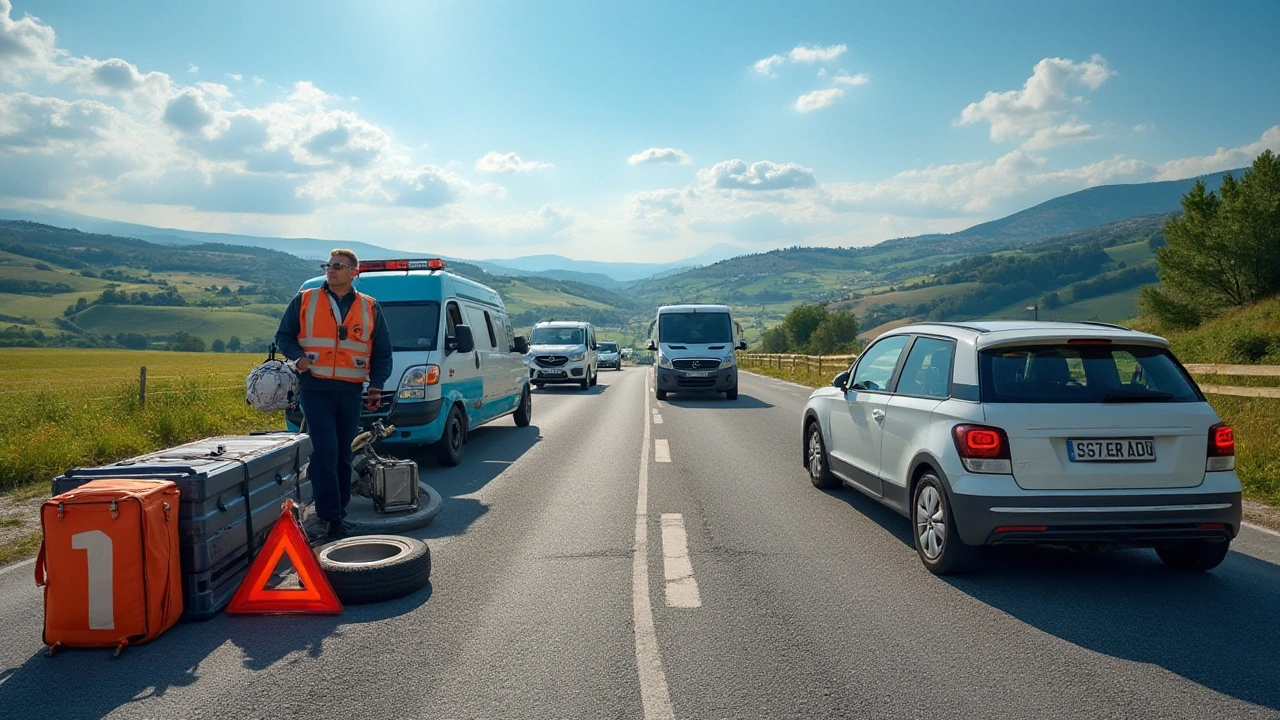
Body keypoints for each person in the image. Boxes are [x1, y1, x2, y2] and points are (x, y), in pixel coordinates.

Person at [275, 249, 392, 540]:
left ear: (354, 272)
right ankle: (330, 516)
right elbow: (283, 336)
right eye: (328, 265)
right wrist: (297, 359)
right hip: (315, 388)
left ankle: (339, 511)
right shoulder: (305, 299)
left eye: (338, 266)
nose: (331, 270)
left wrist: (376, 384)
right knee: (325, 450)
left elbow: (382, 351)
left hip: (351, 391)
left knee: (342, 453)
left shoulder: (369, 307)